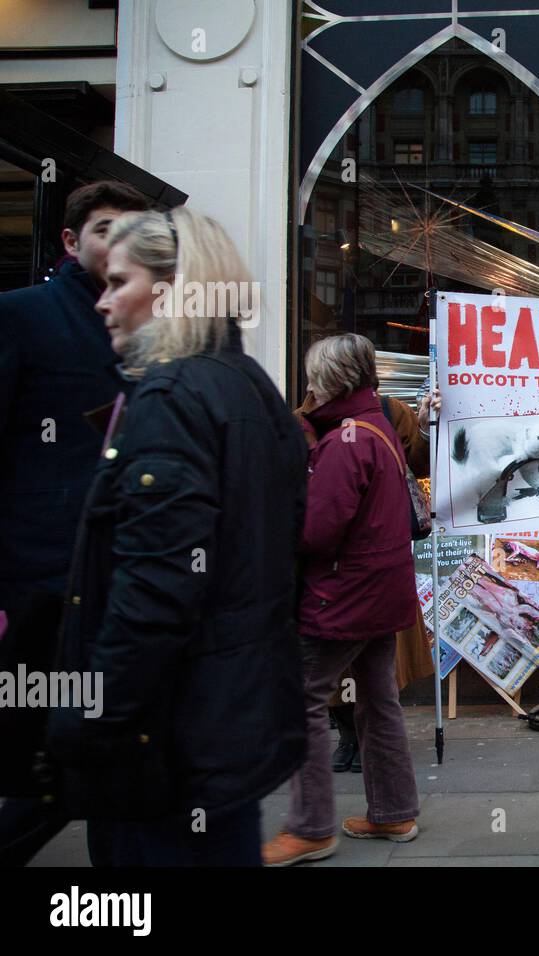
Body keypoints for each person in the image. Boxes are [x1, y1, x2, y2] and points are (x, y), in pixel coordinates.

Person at [40, 207, 308, 866]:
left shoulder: (172, 397)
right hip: (224, 730)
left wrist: (89, 717)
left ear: (169, 288)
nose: (102, 303)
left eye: (117, 282)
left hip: (166, 741)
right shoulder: (250, 387)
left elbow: (156, 589)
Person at [0, 180, 154, 866]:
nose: (114, 243)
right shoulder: (23, 316)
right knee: (56, 757)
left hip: (116, 576)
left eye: (128, 231)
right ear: (69, 240)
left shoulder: (140, 329)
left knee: (92, 755)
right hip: (44, 578)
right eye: (102, 229)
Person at [262, 333, 422, 867]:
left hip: (343, 597)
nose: (308, 385)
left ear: (332, 381)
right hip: (380, 592)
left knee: (300, 698)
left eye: (313, 376)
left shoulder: (344, 442)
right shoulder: (375, 428)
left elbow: (315, 533)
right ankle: (394, 810)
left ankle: (310, 827)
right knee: (378, 699)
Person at [295, 373, 438, 775]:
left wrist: (426, 425)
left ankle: (320, 818)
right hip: (352, 577)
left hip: (356, 577)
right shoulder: (299, 424)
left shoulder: (390, 414)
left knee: (356, 681)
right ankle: (354, 744)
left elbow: (420, 461)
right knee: (363, 682)